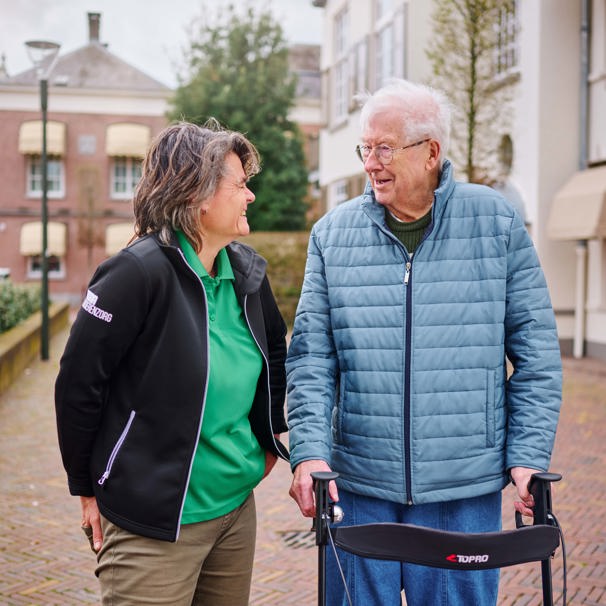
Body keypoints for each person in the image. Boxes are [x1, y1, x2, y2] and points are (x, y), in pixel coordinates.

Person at [286, 79, 562, 606]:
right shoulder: (331, 235)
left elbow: (537, 355)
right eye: (365, 148)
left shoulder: (496, 224)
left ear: (431, 152)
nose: (370, 162)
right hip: (359, 489)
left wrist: (526, 455)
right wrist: (309, 453)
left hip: (464, 491)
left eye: (384, 147)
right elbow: (312, 361)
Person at [55, 120, 289, 606]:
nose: (250, 196)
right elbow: (79, 384)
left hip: (234, 513)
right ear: (197, 195)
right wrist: (87, 488)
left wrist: (266, 444)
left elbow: (275, 357)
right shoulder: (135, 273)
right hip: (152, 521)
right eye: (240, 185)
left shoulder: (247, 272)